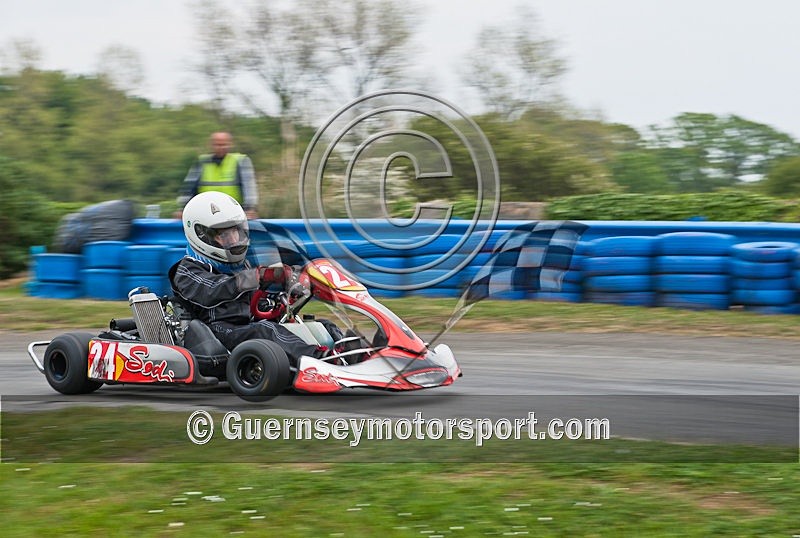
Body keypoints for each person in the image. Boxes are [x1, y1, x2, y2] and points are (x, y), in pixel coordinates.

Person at [169, 191, 340, 366]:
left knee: (320, 325)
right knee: (266, 330)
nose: (233, 240)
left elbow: (253, 299)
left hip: (246, 325)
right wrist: (258, 277)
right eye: (223, 235)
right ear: (201, 235)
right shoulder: (187, 270)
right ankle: (320, 362)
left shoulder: (239, 266)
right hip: (216, 331)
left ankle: (350, 354)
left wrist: (283, 293)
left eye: (235, 232)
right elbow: (214, 289)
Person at [175, 132, 259, 220]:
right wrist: (182, 209)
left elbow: (249, 187)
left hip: (233, 214)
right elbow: (188, 188)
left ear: (230, 145)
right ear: (211, 145)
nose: (221, 148)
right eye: (217, 145)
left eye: (224, 145)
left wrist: (250, 208)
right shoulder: (201, 162)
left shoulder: (241, 161)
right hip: (205, 215)